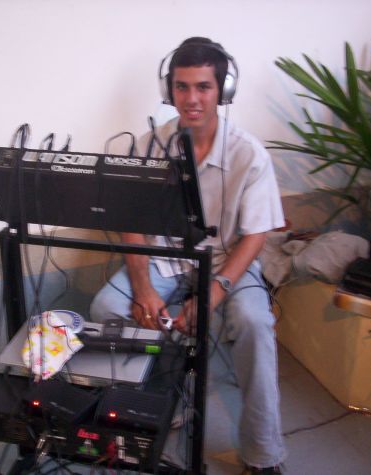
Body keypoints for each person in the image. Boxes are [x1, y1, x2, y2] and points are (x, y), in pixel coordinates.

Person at [90, 37, 286, 474]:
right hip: (163, 259)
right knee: (107, 307)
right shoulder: (148, 146)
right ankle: (165, 399)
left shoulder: (249, 154)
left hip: (227, 262)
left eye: (203, 87)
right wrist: (143, 287)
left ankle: (262, 453)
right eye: (182, 87)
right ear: (169, 90)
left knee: (255, 324)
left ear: (223, 90)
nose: (192, 99)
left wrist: (212, 295)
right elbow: (132, 225)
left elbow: (255, 236)